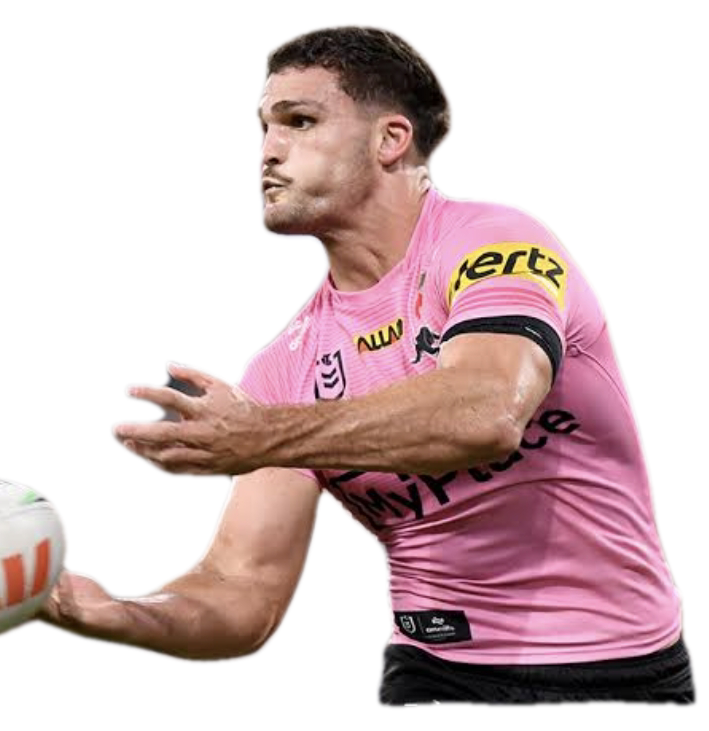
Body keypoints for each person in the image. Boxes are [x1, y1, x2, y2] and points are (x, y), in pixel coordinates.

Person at [35, 23, 697, 707]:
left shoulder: (494, 241)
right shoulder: (282, 368)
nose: (268, 150)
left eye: (299, 121)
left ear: (391, 139)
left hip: (620, 670)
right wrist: (115, 613)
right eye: (262, 127)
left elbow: (485, 412)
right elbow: (242, 591)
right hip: (431, 669)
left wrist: (263, 435)